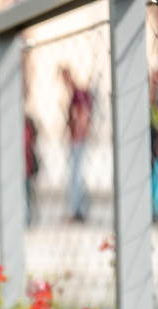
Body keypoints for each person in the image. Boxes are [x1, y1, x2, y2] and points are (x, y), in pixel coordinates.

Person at [62, 67, 92, 222]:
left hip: (78, 140)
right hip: (76, 139)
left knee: (77, 176)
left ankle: (79, 210)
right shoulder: (76, 94)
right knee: (75, 176)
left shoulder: (78, 94)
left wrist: (80, 131)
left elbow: (83, 115)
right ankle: (77, 209)